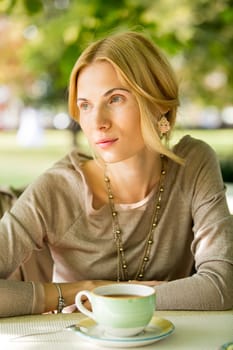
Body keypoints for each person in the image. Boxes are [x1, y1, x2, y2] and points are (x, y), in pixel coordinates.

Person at [0, 31, 232, 317]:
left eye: (115, 99)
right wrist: (85, 288)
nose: (97, 122)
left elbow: (221, 285)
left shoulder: (193, 165)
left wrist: (109, 296)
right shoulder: (58, 188)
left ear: (159, 102)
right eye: (85, 105)